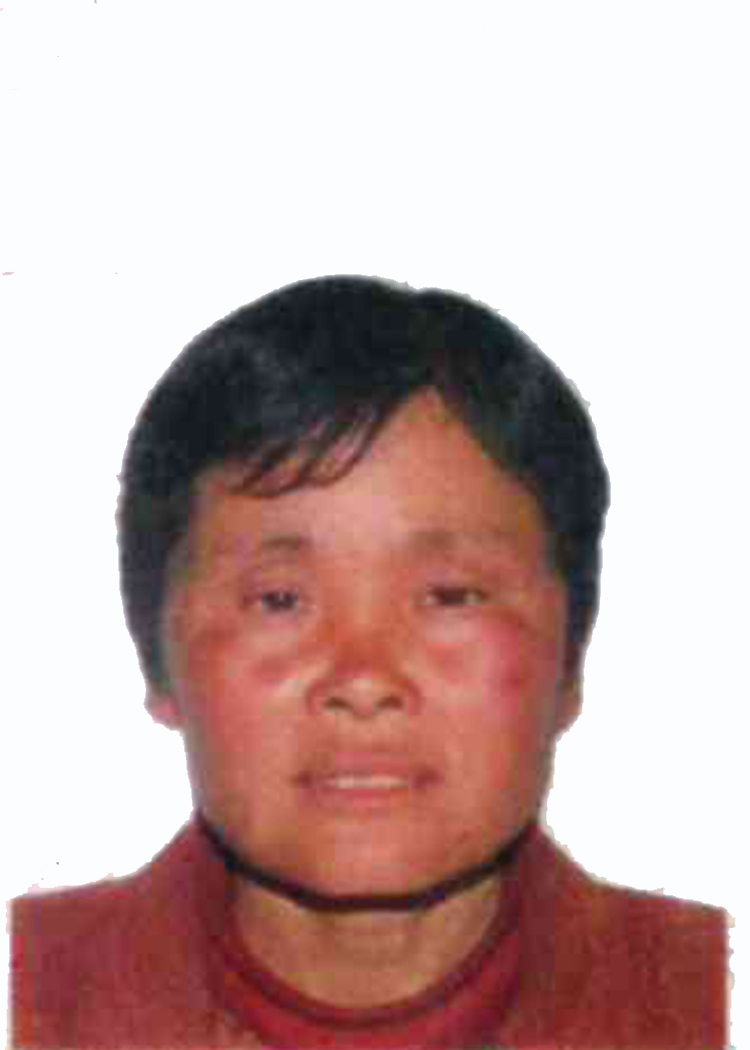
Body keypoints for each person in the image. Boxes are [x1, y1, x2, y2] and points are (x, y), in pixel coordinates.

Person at [11, 276, 728, 1049]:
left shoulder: (708, 998)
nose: (362, 680)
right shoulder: (29, 996)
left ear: (571, 658)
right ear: (157, 657)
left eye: (450, 596)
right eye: (280, 600)